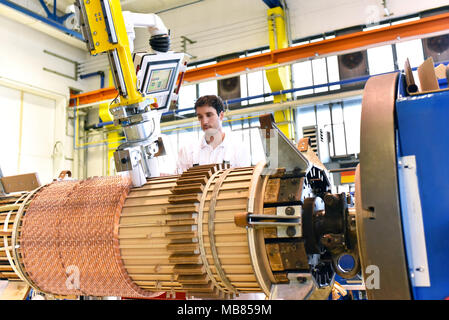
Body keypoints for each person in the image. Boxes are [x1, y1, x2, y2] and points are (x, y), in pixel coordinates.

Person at [176, 95, 251, 174]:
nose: (204, 121)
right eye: (200, 117)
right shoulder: (187, 152)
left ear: (221, 115)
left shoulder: (238, 149)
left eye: (209, 115)